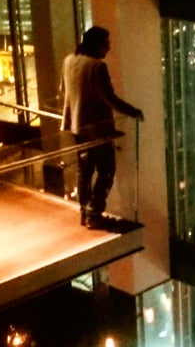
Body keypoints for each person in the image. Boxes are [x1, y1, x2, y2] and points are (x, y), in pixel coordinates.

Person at [60, 25, 144, 229]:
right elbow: (110, 98)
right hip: (97, 128)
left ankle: (84, 210)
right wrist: (133, 111)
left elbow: (63, 89)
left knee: (84, 170)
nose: (108, 48)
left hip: (75, 125)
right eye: (106, 43)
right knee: (106, 169)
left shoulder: (69, 61)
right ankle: (94, 212)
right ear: (96, 44)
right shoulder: (97, 67)